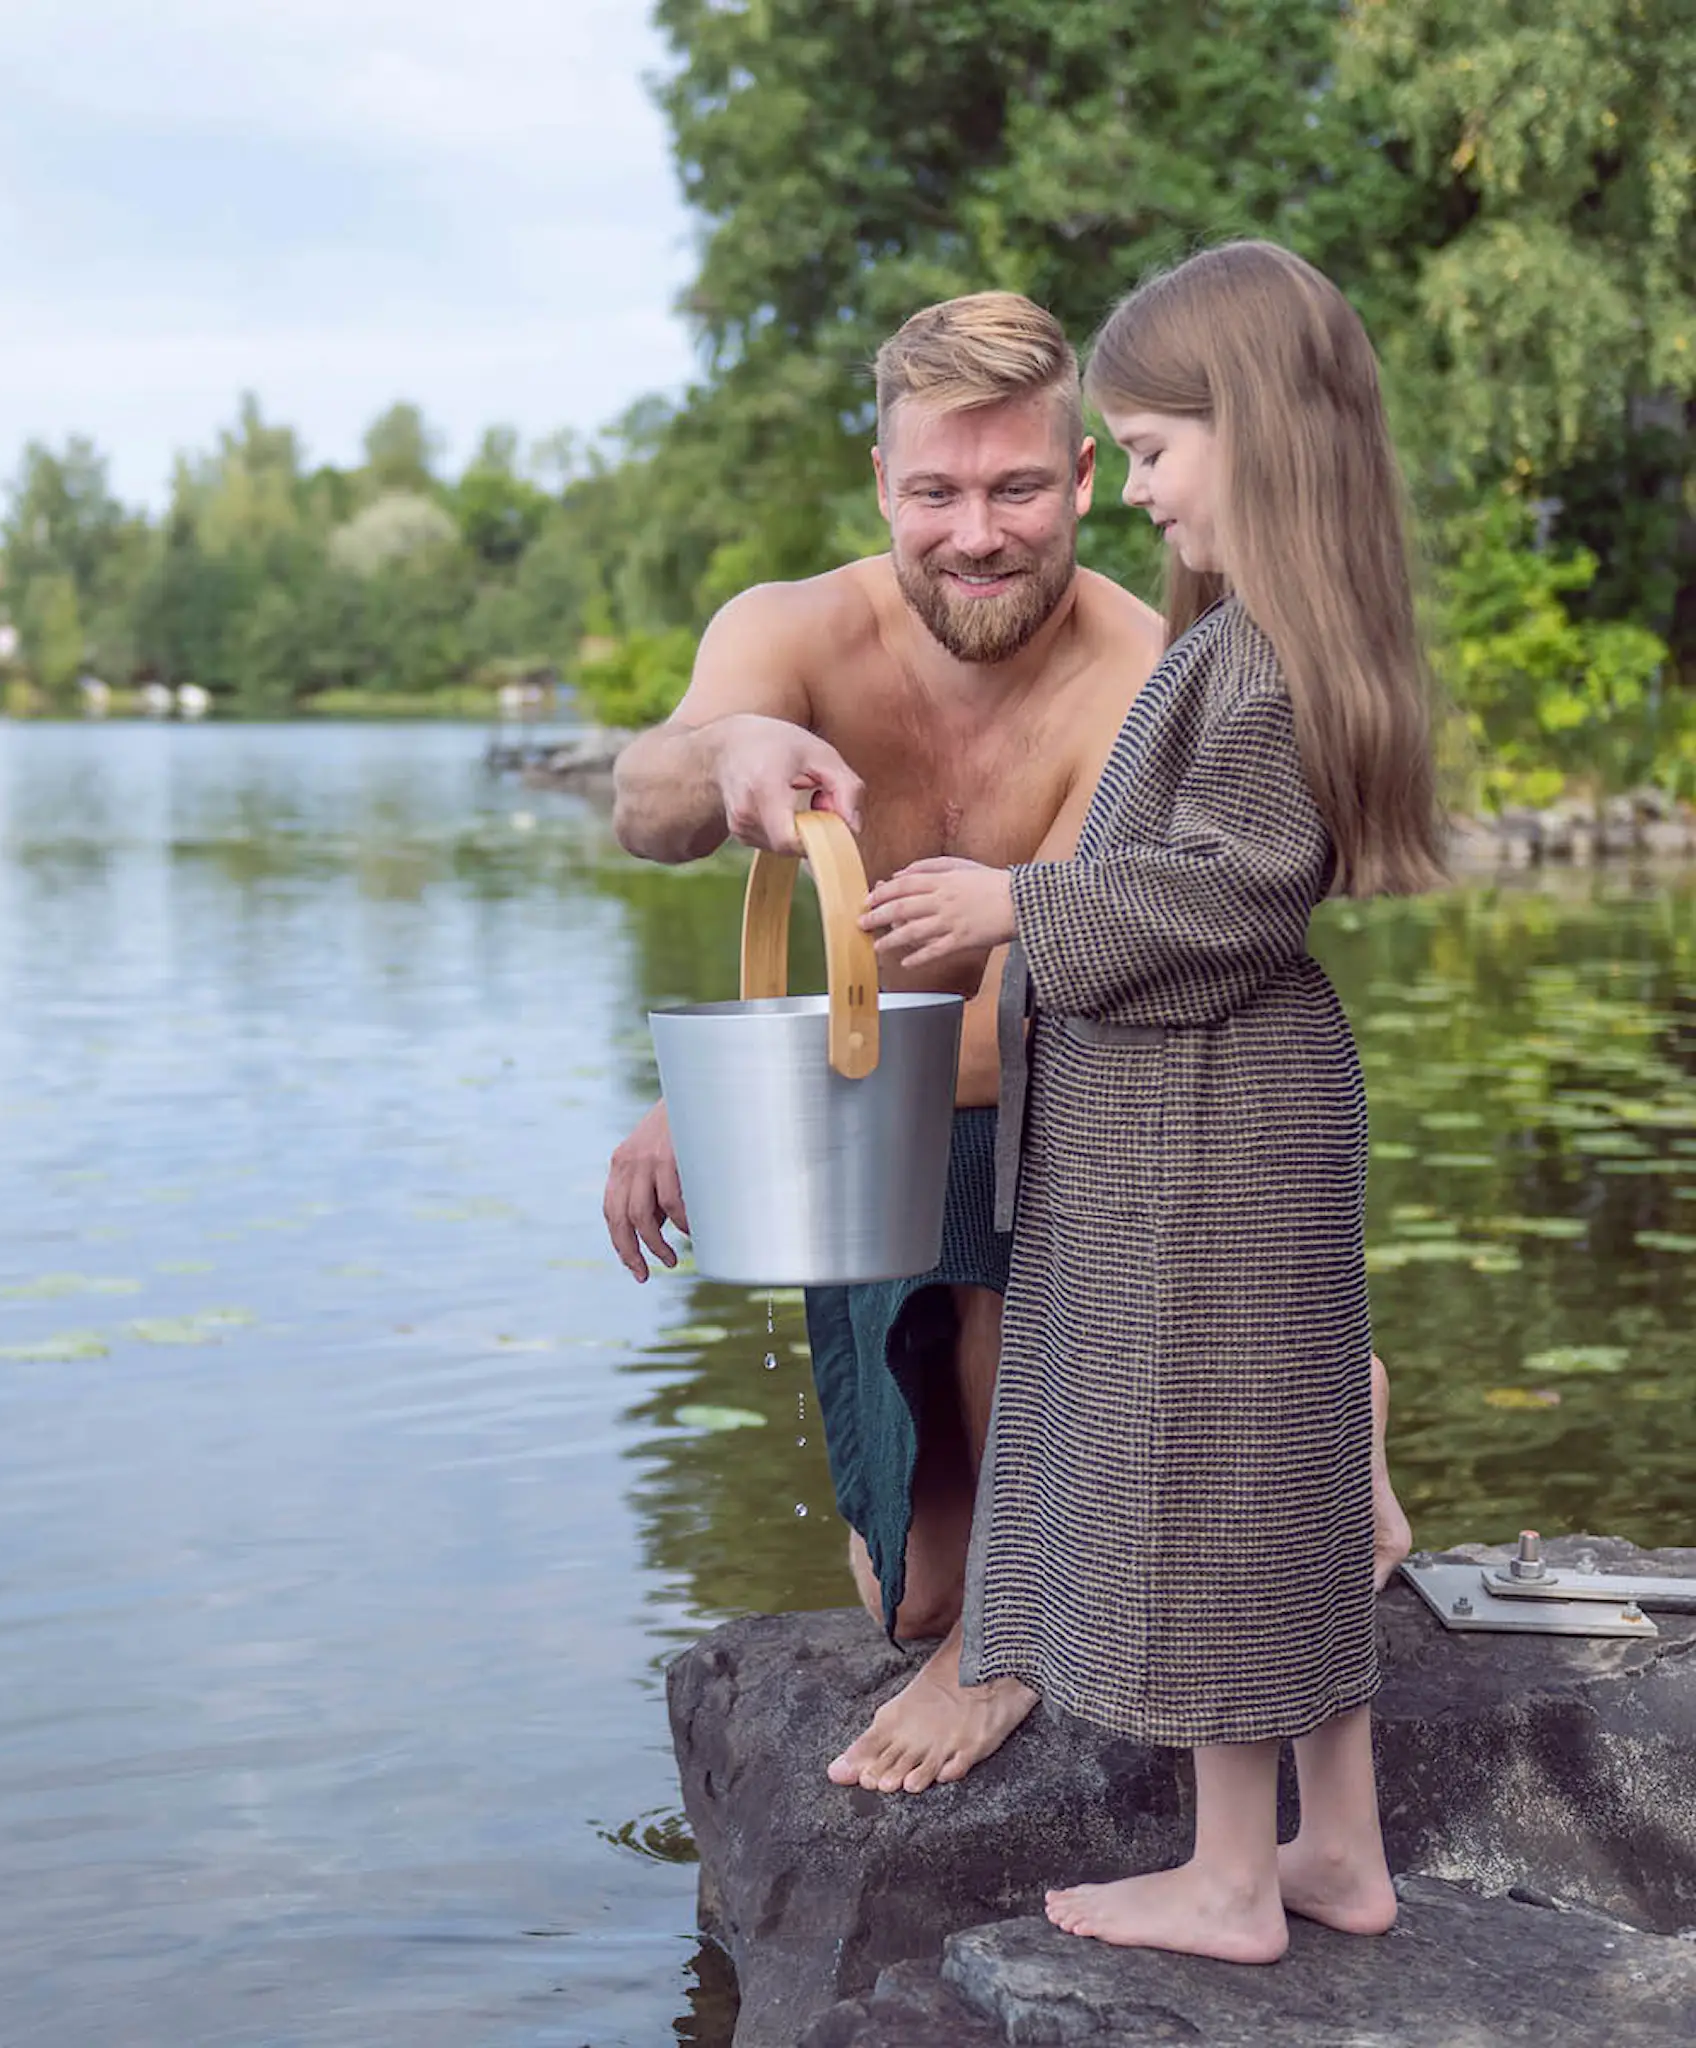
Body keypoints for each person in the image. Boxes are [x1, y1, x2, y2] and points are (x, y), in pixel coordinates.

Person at [603, 290, 1412, 1799]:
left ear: (1090, 480)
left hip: (1074, 1126)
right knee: (898, 1596)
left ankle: (1253, 1441)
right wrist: (730, 760)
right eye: (937, 493)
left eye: (1018, 488)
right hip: (880, 1117)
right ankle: (1231, 1446)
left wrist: (755, 1105)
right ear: (882, 482)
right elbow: (645, 809)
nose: (976, 533)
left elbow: (1113, 966)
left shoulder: (1147, 662)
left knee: (981, 1594)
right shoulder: (789, 629)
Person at [858, 241, 1442, 1958]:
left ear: (1252, 431)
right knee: (1289, 1473)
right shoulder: (1249, 640)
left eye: (1159, 451)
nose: (1148, 494)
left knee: (1210, 1490)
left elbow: (1238, 886)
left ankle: (1229, 1877)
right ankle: (1340, 1849)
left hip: (1209, 1136)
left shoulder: (1261, 661)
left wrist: (1012, 904)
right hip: (1205, 1123)